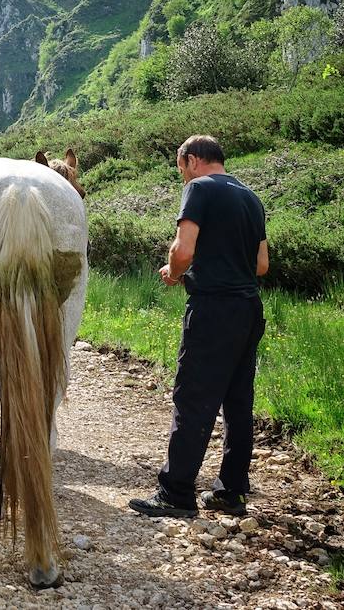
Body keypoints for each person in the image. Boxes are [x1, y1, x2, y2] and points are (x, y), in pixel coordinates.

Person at [129, 135, 269, 519]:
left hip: (213, 308)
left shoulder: (199, 189)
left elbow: (183, 249)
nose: (182, 178)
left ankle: (176, 494)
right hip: (249, 309)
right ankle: (232, 492)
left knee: (192, 398)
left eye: (181, 170)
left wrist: (173, 272)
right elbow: (262, 266)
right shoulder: (251, 197)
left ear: (191, 161)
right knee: (238, 402)